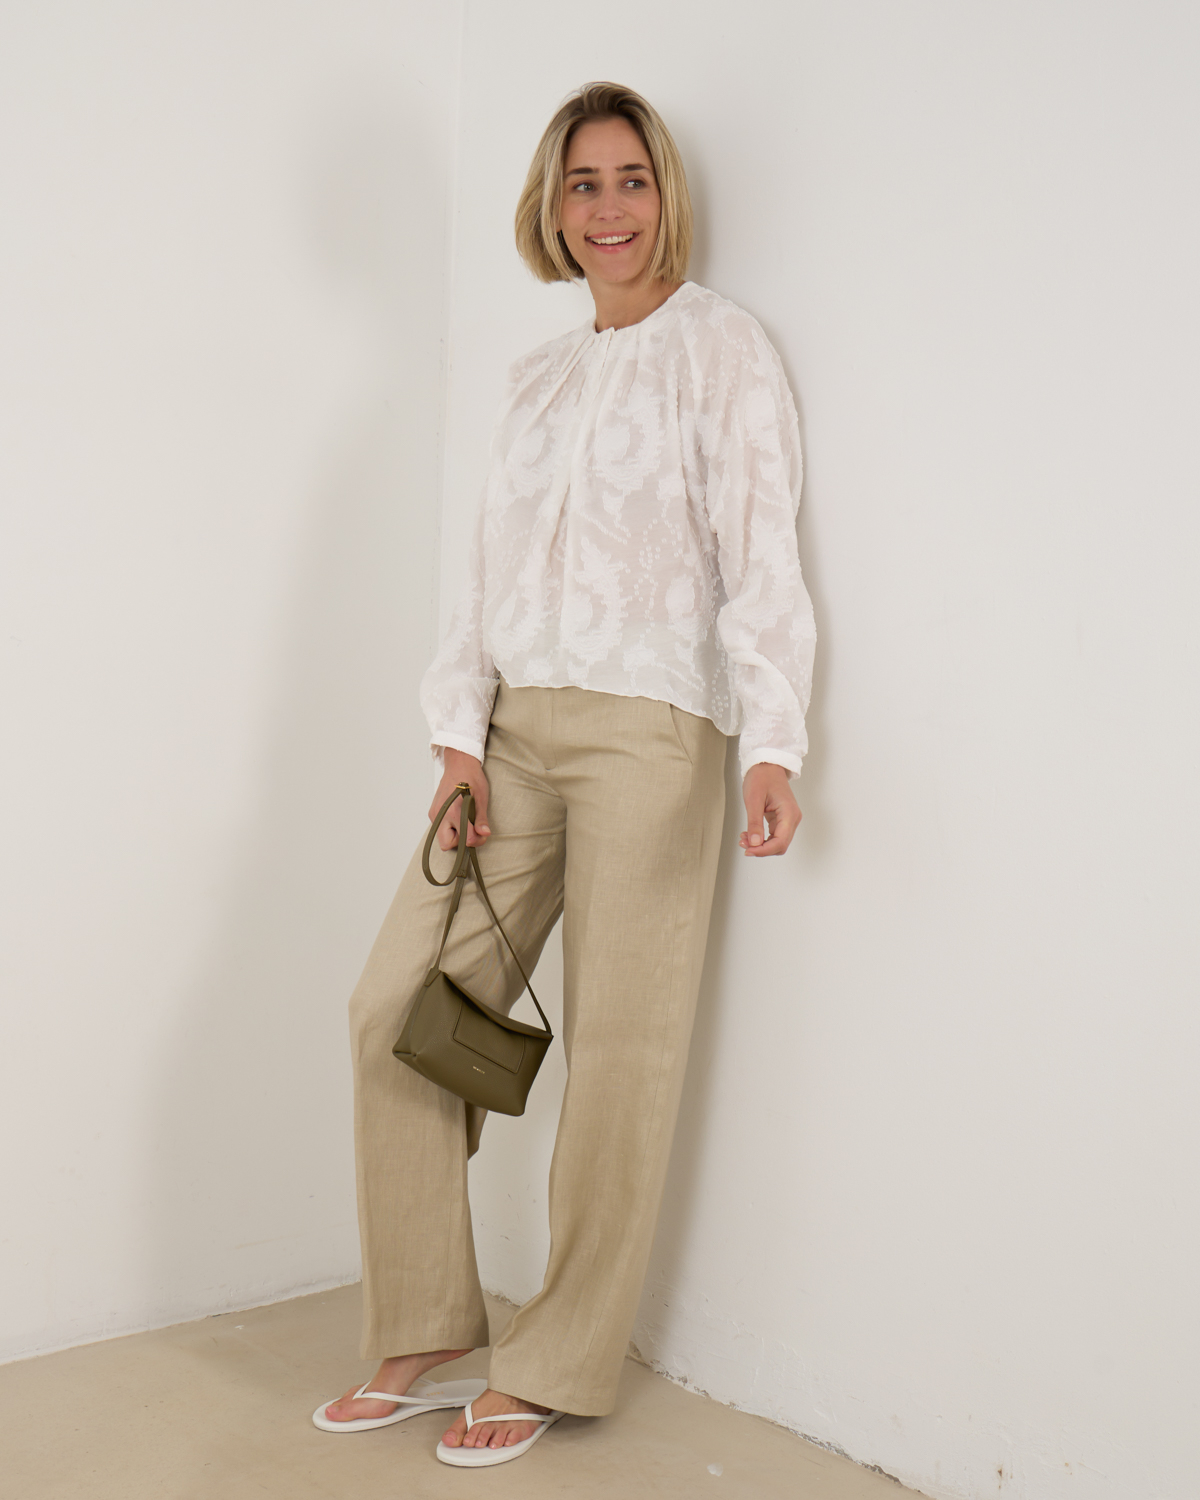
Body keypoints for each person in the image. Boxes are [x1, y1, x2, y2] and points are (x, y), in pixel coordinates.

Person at [312, 80, 816, 1468]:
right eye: (583, 184)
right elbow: (483, 573)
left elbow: (761, 552)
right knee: (392, 1006)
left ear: (667, 196)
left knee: (623, 1051)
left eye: (630, 180)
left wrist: (774, 742)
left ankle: (555, 1358)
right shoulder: (535, 378)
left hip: (654, 731)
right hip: (514, 731)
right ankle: (426, 1323)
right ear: (551, 205)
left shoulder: (721, 347)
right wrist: (457, 734)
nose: (608, 209)